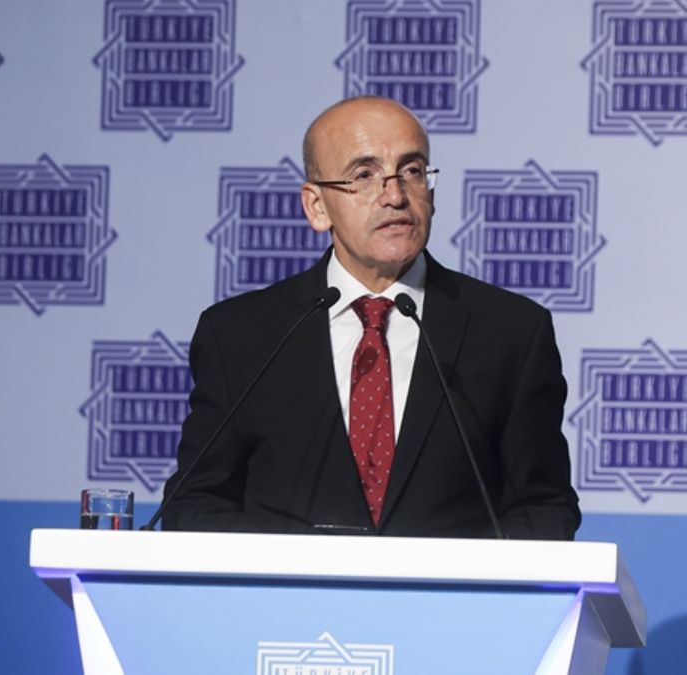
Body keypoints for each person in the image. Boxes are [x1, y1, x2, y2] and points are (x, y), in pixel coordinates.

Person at [160, 96, 580, 539]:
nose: (395, 196)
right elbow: (197, 504)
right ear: (317, 207)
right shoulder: (240, 336)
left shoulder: (511, 332)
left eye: (412, 171)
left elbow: (543, 508)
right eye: (364, 175)